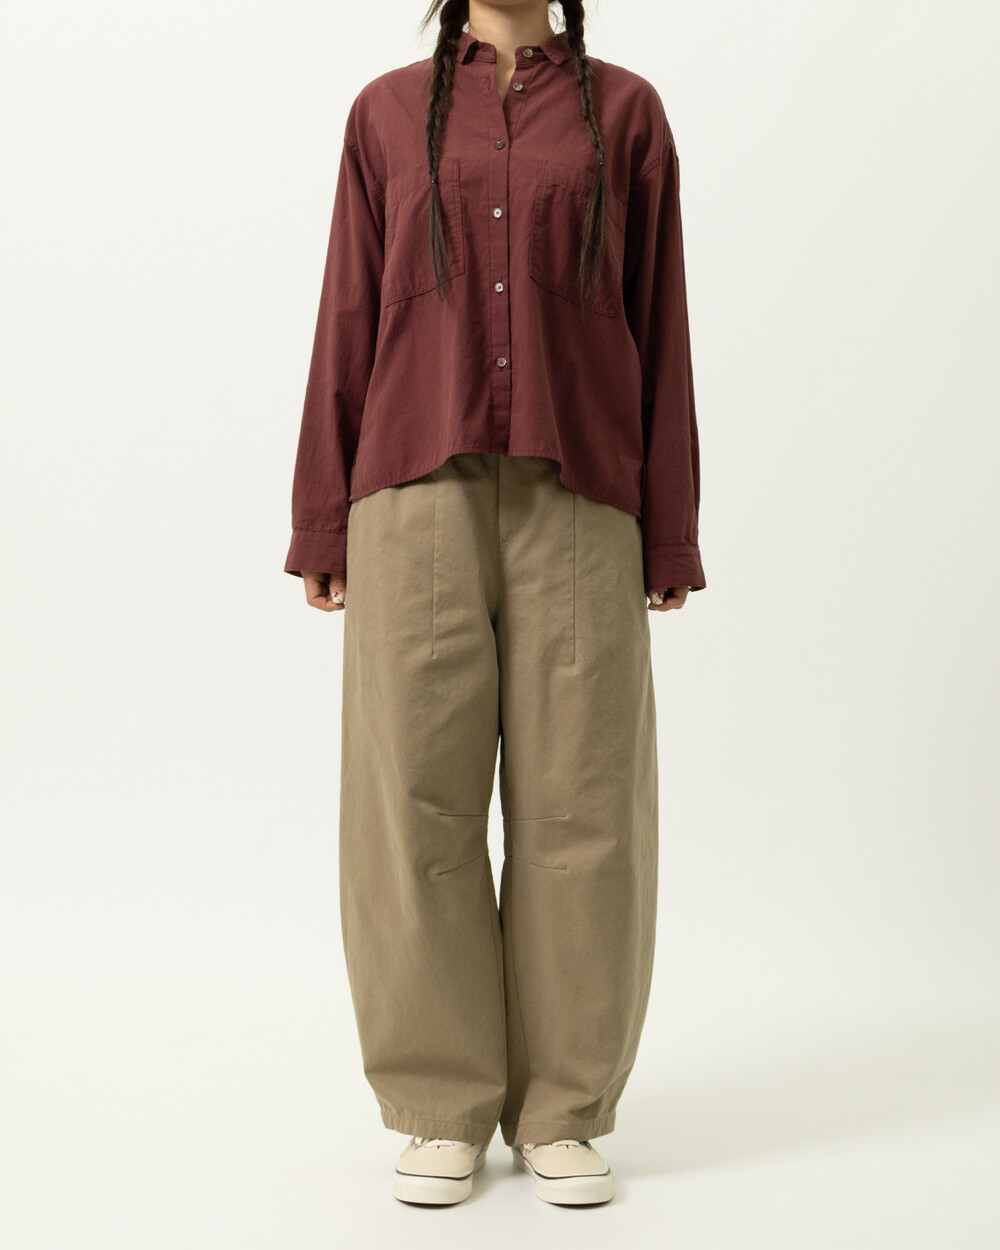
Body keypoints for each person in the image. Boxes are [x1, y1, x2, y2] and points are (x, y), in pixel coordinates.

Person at [283, 0, 706, 1208]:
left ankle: (565, 1106)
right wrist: (322, 515)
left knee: (585, 803)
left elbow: (660, 319)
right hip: (412, 487)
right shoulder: (383, 115)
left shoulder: (626, 114)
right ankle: (440, 1102)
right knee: (412, 800)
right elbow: (347, 313)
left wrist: (668, 523)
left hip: (581, 490)